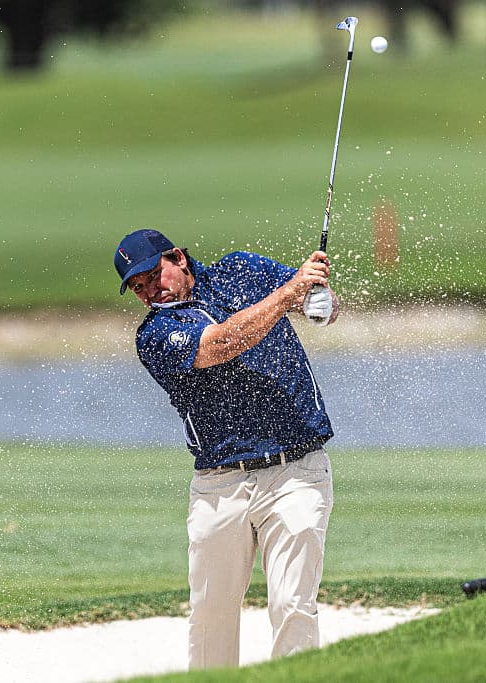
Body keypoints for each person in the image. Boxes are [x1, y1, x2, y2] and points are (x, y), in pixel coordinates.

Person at [113, 228, 339, 669]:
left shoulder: (243, 269)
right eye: (138, 288)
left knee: (293, 605)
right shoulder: (155, 335)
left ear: (177, 257)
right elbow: (220, 344)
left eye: (153, 276)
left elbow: (313, 303)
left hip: (296, 471)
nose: (149, 292)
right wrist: (287, 294)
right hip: (220, 486)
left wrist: (319, 302)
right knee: (211, 617)